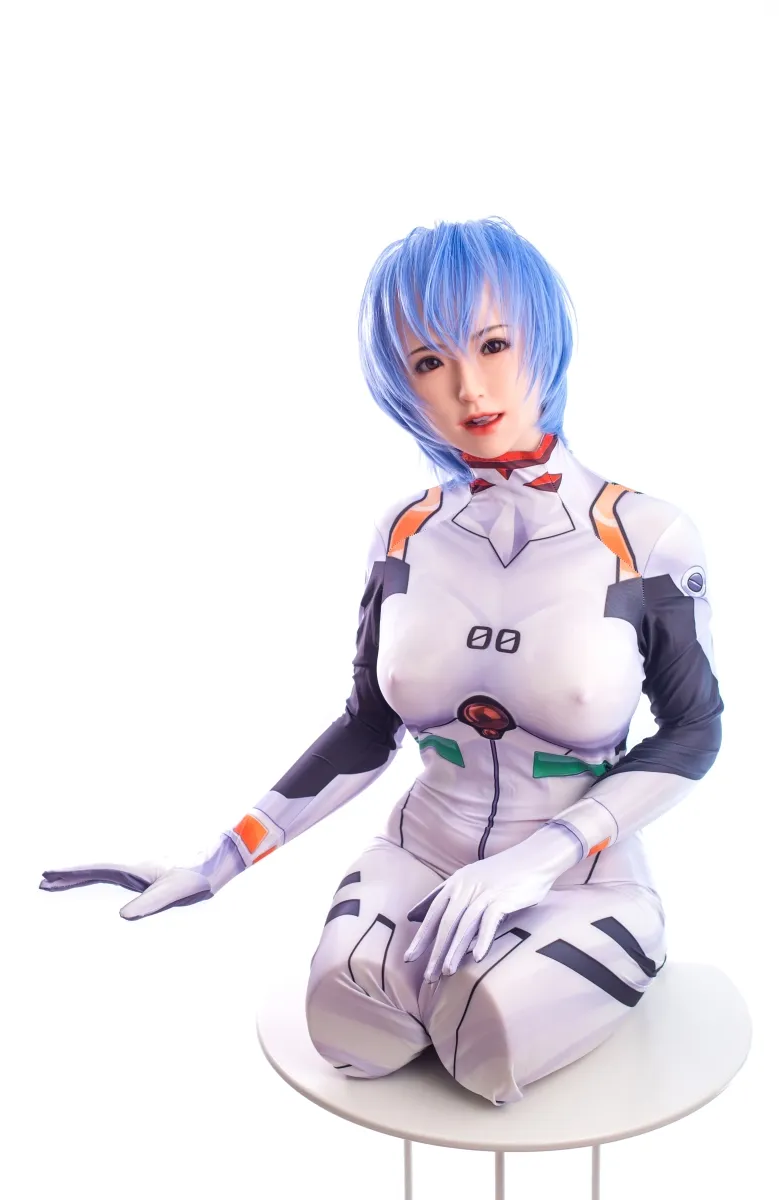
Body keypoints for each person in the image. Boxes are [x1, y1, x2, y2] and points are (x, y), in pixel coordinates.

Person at [40, 216, 723, 1106]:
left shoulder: (648, 536)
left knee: (487, 1028)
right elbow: (369, 726)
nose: (470, 388)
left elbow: (695, 729)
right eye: (430, 361)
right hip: (417, 852)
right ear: (401, 383)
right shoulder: (405, 532)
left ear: (544, 341)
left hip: (579, 876)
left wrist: (540, 857)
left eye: (494, 344)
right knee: (348, 1027)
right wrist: (217, 861)